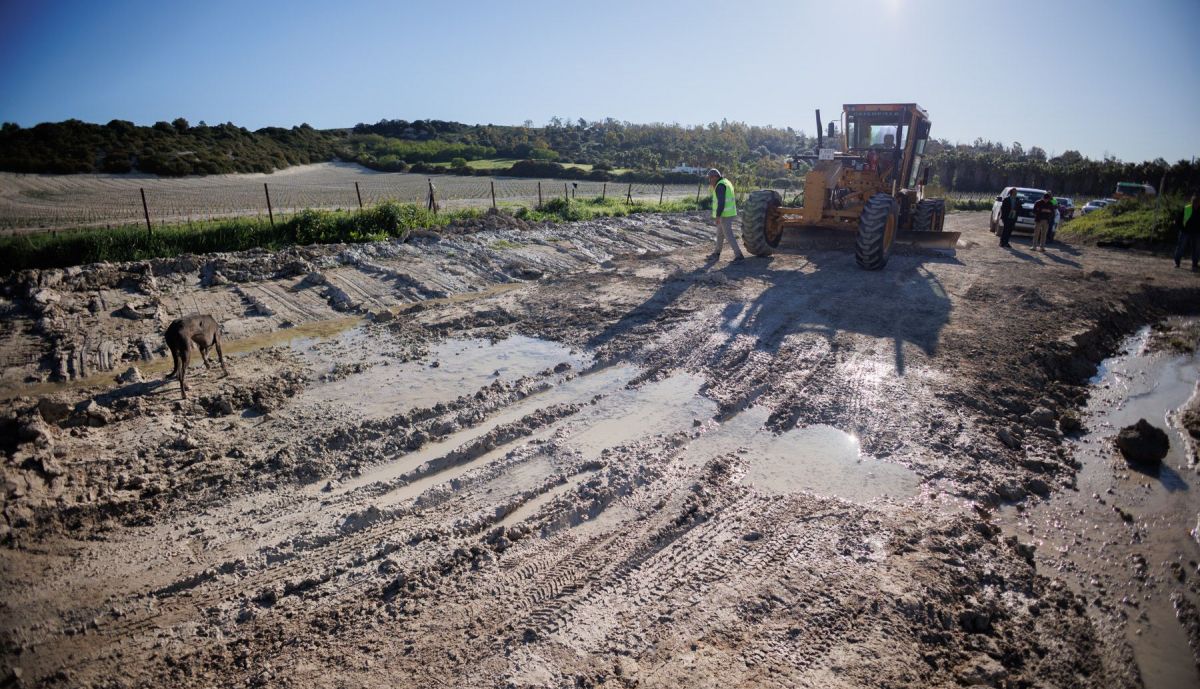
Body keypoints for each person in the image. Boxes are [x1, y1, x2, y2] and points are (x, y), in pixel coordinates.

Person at [706, 169, 744, 263]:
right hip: (727, 213)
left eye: (710, 178)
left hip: (725, 215)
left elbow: (721, 203)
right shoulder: (726, 182)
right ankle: (716, 253)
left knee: (728, 234)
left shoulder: (720, 185)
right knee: (719, 233)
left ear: (715, 177)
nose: (709, 180)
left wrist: (718, 216)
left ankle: (738, 254)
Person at [1174, 193, 1199, 271]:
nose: (1196, 204)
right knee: (1181, 246)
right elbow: (1177, 220)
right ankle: (1177, 262)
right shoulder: (1187, 208)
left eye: (1197, 202)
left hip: (1197, 232)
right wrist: (1182, 229)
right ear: (1191, 202)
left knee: (1197, 248)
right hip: (1185, 231)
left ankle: (1195, 264)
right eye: (1194, 202)